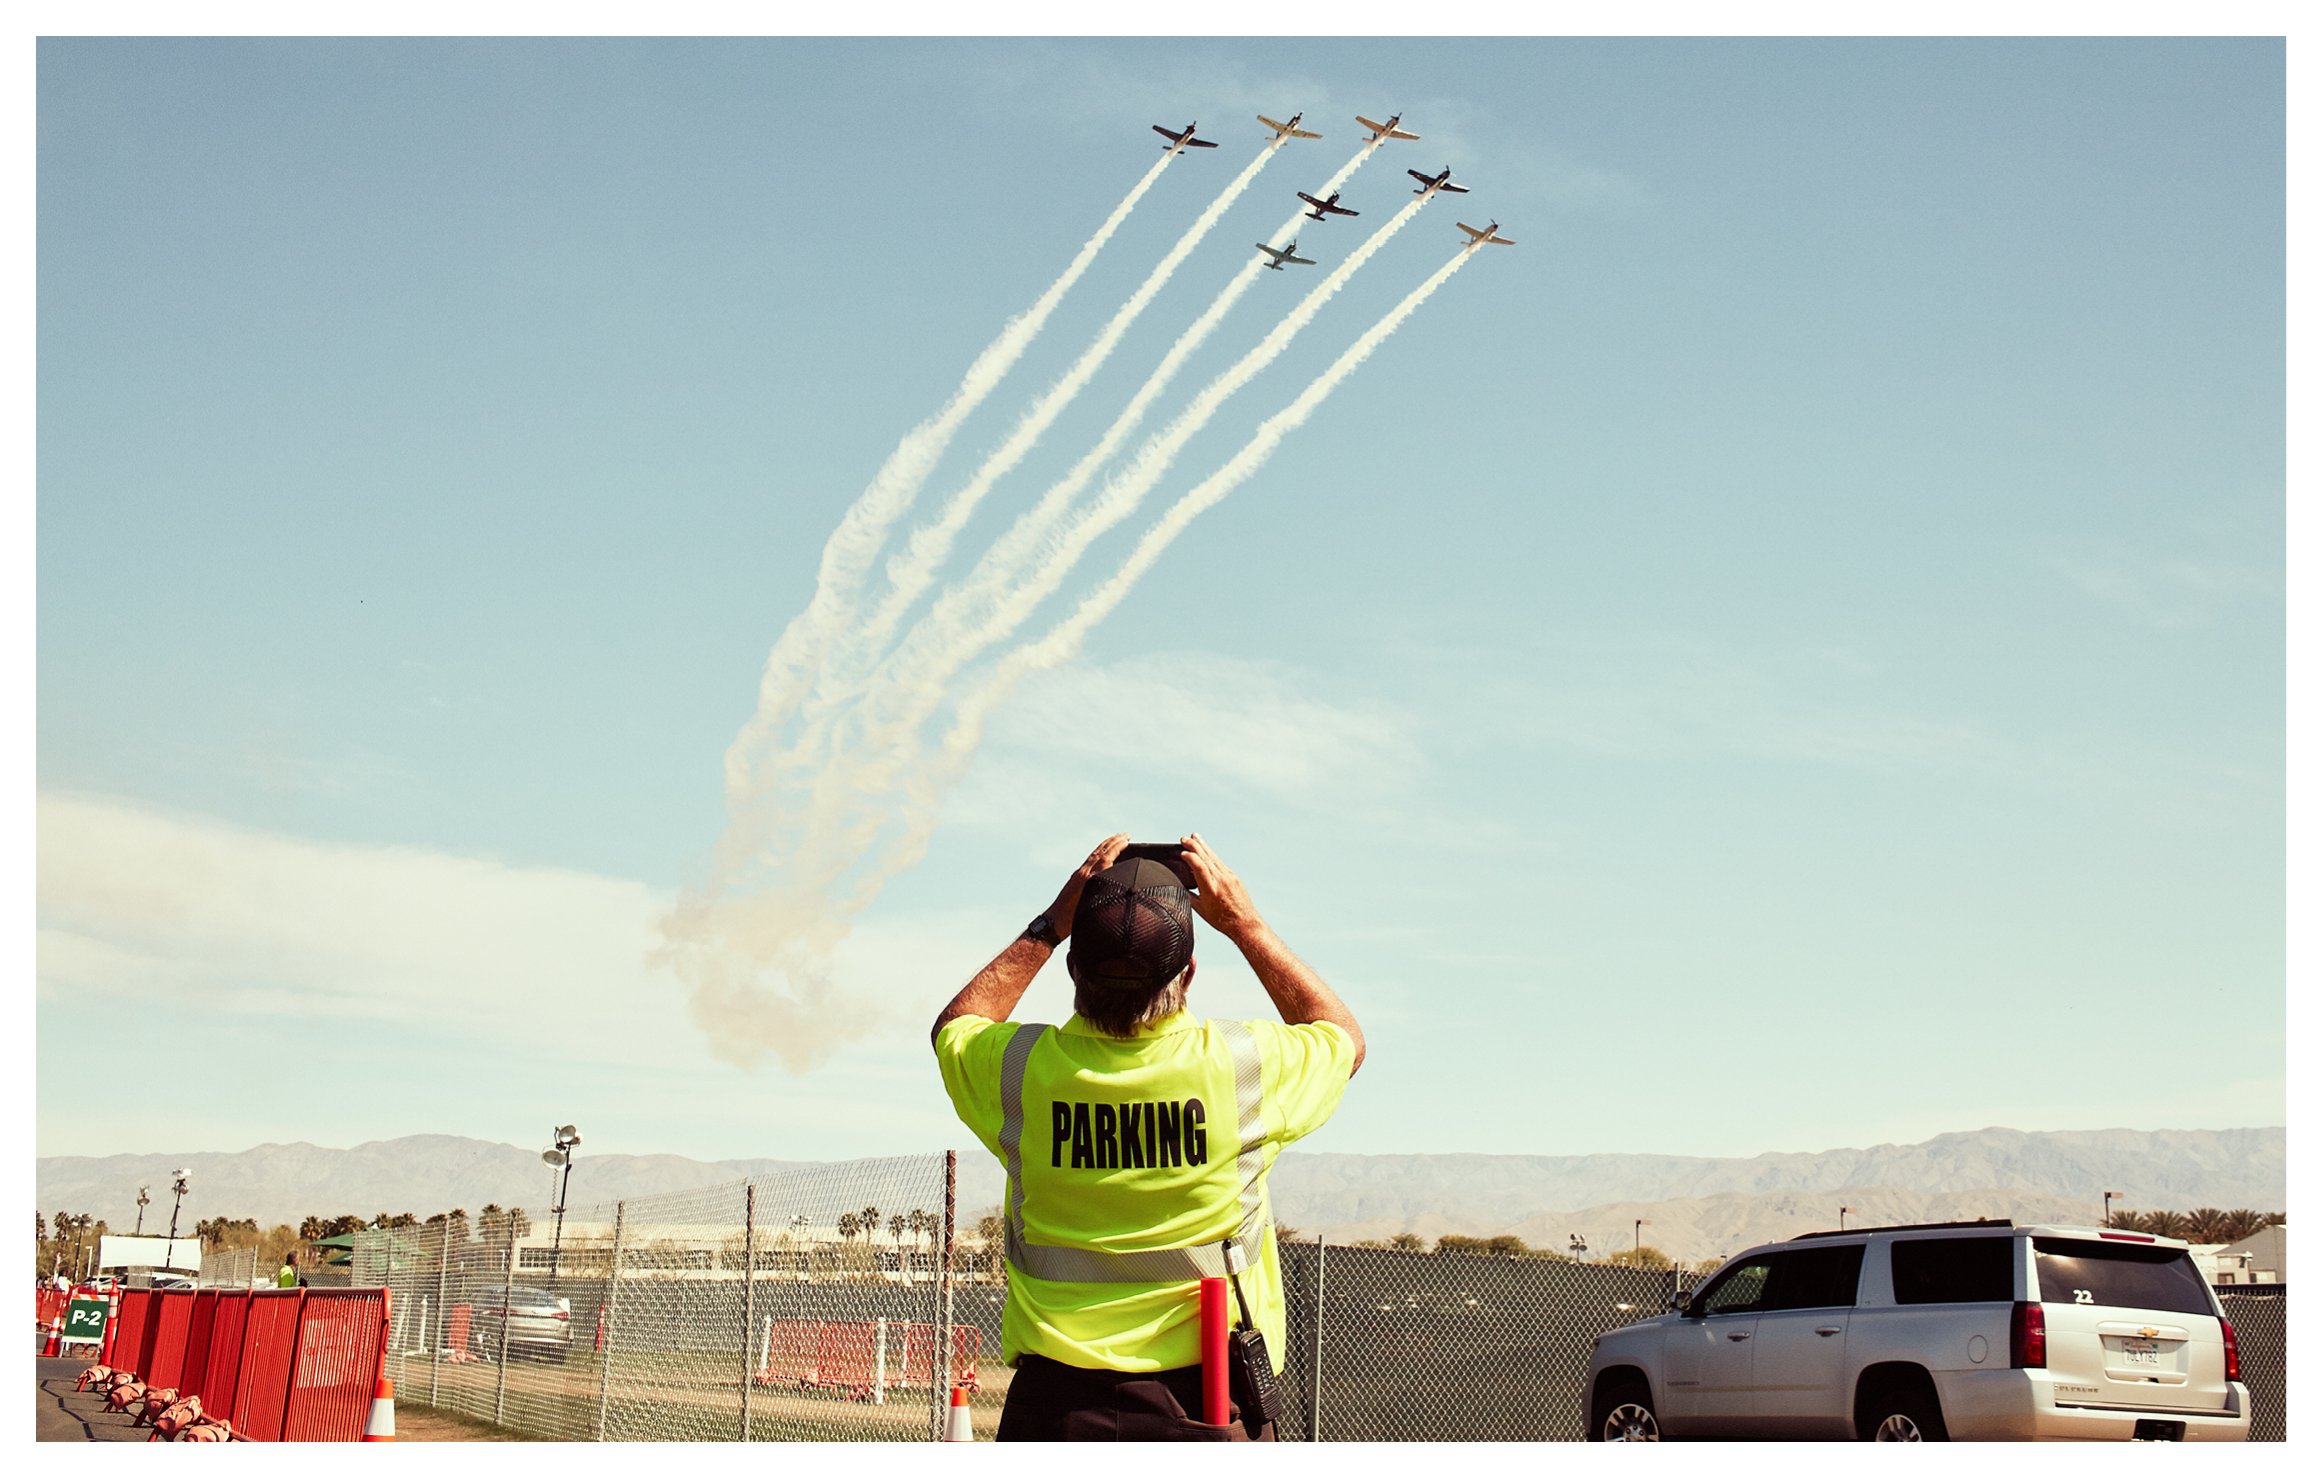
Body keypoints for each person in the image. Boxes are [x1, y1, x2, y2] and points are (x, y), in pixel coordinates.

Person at [932, 833, 1364, 1441]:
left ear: (1074, 968)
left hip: (1052, 1411)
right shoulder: (1245, 1066)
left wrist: (1050, 925)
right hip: (1208, 1402)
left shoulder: (1018, 1070)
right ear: (1188, 973)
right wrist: (1244, 924)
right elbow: (1343, 1038)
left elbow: (956, 1026)